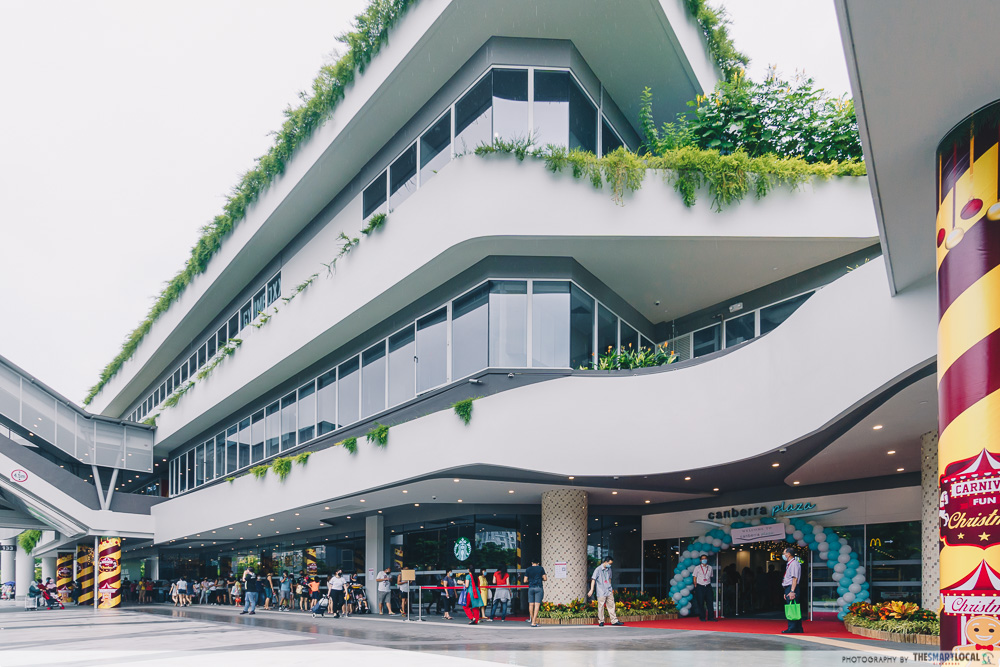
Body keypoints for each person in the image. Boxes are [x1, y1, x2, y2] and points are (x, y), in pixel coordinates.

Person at [589, 556, 624, 627]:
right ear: (605, 562)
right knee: (601, 606)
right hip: (601, 591)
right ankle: (601, 621)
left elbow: (609, 579)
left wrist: (610, 588)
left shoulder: (609, 569)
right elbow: (593, 579)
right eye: (609, 563)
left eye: (611, 564)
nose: (610, 565)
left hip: (608, 590)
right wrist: (591, 590)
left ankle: (614, 620)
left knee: (611, 605)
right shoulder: (598, 569)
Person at [781, 547, 804, 634]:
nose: (783, 555)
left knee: (791, 608)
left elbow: (794, 578)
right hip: (789, 587)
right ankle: (798, 628)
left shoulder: (794, 563)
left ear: (789, 554)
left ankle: (792, 627)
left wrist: (792, 591)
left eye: (784, 553)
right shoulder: (790, 564)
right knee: (794, 607)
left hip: (792, 587)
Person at [692, 554, 716, 622]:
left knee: (710, 602)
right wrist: (695, 584)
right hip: (700, 586)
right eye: (703, 559)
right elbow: (694, 576)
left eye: (705, 558)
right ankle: (702, 617)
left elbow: (711, 576)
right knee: (701, 602)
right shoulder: (697, 567)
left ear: (707, 559)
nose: (704, 560)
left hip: (708, 586)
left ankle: (711, 617)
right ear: (700, 560)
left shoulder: (710, 567)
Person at [523, 559, 547, 628]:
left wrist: (530, 580)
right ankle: (533, 622)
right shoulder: (541, 568)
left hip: (531, 588)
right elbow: (545, 578)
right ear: (538, 563)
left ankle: (532, 621)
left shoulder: (528, 569)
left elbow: (525, 580)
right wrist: (540, 579)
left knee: (531, 604)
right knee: (537, 605)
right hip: (538, 587)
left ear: (532, 562)